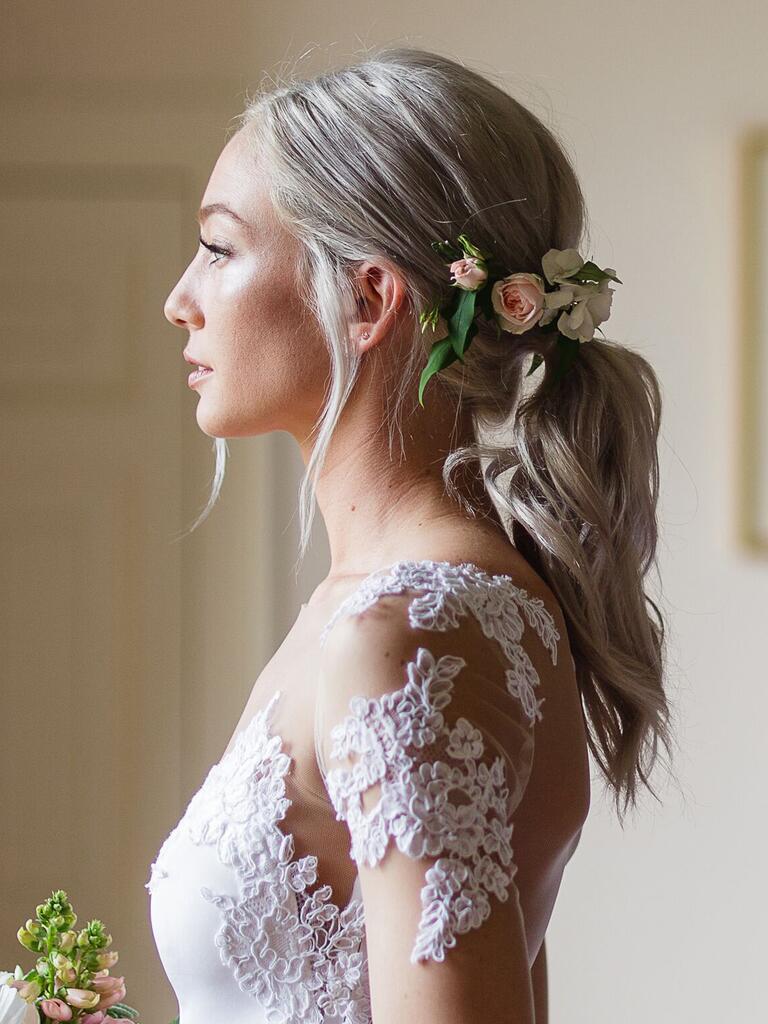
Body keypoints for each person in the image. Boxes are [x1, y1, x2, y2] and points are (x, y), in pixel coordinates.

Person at [152, 45, 674, 1024]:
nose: (178, 299)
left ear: (368, 298)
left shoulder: (406, 632)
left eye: (218, 249)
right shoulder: (439, 602)